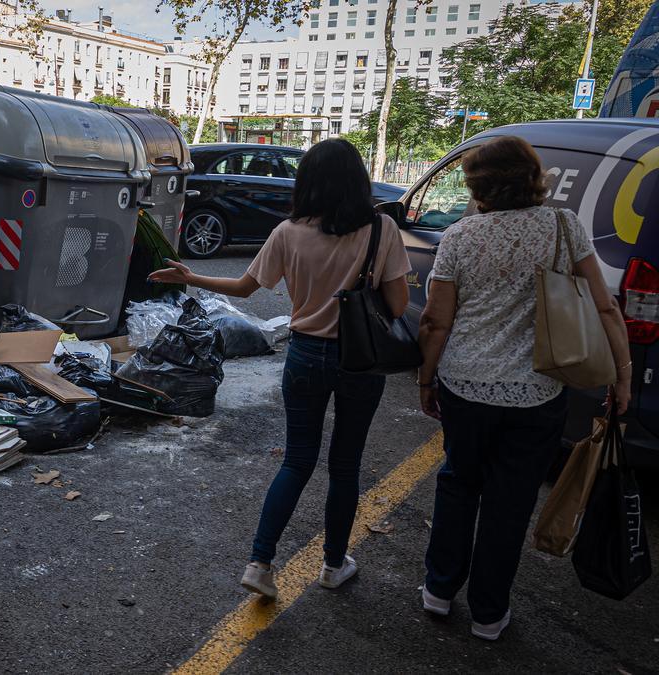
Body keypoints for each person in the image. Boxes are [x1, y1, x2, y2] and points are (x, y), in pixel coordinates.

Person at [149, 138, 411, 599]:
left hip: (306, 354)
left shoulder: (289, 232)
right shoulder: (380, 229)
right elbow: (398, 303)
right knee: (345, 466)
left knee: (296, 460)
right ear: (358, 180)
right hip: (360, 360)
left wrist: (190, 276)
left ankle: (261, 562)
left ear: (306, 180)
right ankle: (333, 564)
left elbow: (245, 288)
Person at [416, 136, 633, 641]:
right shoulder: (563, 226)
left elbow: (434, 321)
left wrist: (427, 380)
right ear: (534, 177)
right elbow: (604, 309)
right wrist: (621, 377)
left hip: (465, 386)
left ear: (478, 186)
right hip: (537, 392)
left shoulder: (460, 236)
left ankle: (438, 590)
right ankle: (489, 615)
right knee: (510, 501)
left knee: (458, 483)